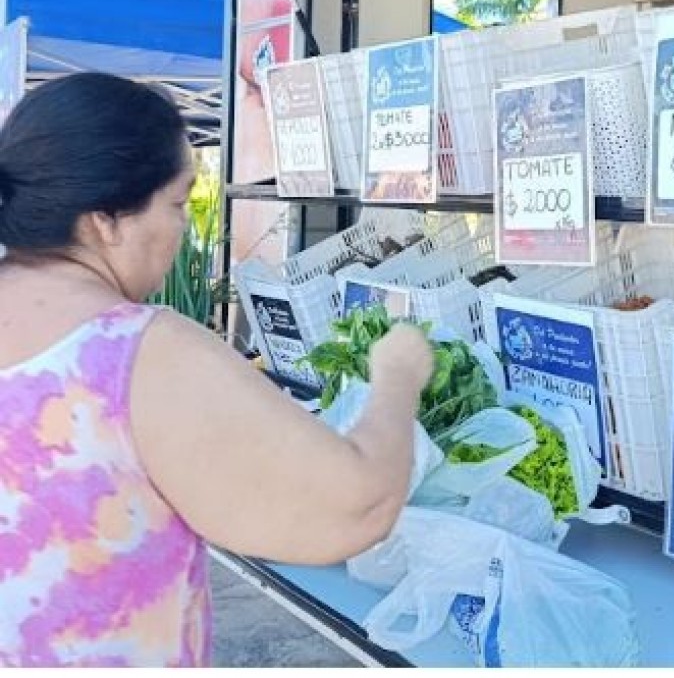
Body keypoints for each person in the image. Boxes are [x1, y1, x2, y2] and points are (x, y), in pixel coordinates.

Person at [0, 72, 433, 668]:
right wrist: (397, 375)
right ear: (105, 220)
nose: (182, 227)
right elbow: (355, 508)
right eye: (177, 203)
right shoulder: (137, 352)